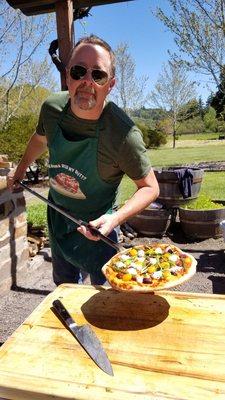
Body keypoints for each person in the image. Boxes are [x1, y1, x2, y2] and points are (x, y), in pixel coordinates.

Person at [7, 35, 159, 286]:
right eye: (79, 71)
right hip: (59, 218)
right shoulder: (52, 109)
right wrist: (21, 170)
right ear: (68, 76)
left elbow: (150, 187)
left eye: (97, 75)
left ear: (110, 85)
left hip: (100, 229)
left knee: (108, 297)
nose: (87, 81)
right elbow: (39, 139)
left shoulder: (123, 134)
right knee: (65, 291)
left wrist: (115, 219)